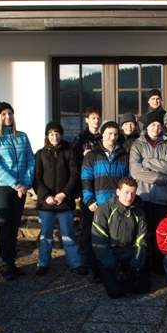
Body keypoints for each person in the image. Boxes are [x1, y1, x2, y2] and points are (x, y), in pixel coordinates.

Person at [0, 101, 35, 280]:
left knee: (14, 225)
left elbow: (30, 159)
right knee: (4, 224)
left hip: (20, 188)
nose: (8, 117)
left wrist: (25, 183)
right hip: (2, 187)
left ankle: (12, 261)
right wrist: (15, 184)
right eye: (4, 114)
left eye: (10, 113)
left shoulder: (22, 136)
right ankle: (3, 263)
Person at [33, 122, 84, 276]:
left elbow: (75, 175)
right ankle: (43, 263)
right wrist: (46, 195)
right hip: (46, 203)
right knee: (45, 236)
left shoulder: (69, 152)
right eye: (51, 134)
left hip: (65, 201)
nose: (55, 137)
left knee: (68, 235)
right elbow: (36, 178)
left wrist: (65, 193)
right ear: (47, 136)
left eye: (57, 133)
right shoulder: (40, 154)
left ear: (61, 135)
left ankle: (75, 263)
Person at [81, 120, 130, 276]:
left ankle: (114, 270)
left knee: (115, 237)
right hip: (98, 204)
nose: (112, 137)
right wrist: (89, 200)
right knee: (98, 239)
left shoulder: (124, 155)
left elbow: (128, 179)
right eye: (109, 134)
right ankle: (97, 272)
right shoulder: (92, 155)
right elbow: (86, 180)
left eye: (115, 134)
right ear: (102, 134)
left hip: (117, 204)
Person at [129, 109, 167, 275]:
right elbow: (135, 171)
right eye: (153, 125)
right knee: (143, 233)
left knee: (160, 233)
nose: (156, 128)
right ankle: (143, 264)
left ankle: (158, 263)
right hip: (143, 196)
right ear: (147, 127)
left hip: (161, 199)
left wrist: (146, 162)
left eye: (159, 125)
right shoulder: (137, 144)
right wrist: (160, 179)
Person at [92, 177, 150, 298]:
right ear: (118, 192)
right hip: (110, 254)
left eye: (133, 193)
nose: (129, 197)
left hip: (129, 252)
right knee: (116, 293)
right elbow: (99, 243)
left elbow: (141, 240)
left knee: (142, 288)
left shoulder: (139, 212)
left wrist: (136, 264)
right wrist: (114, 267)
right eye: (126, 192)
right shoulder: (103, 210)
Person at [72, 107, 102, 268]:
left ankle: (103, 258)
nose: (96, 121)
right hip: (86, 187)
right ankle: (88, 258)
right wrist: (83, 157)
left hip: (103, 184)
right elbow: (73, 164)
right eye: (93, 118)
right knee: (88, 225)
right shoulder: (80, 139)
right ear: (87, 120)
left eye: (98, 118)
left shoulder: (104, 137)